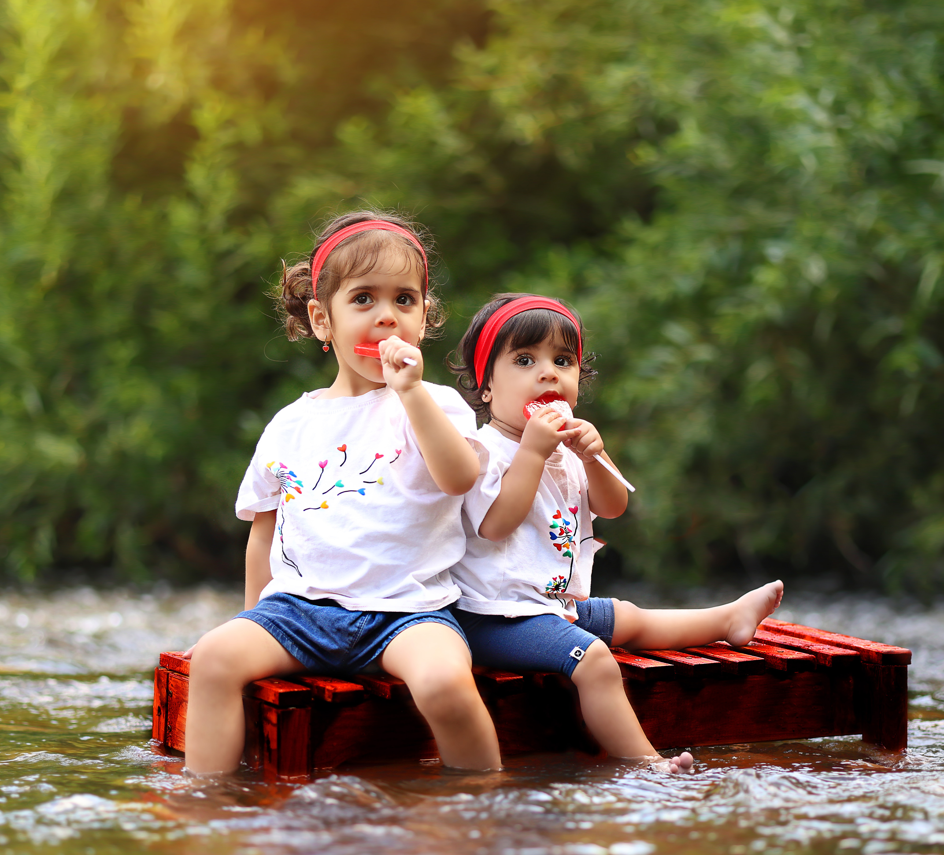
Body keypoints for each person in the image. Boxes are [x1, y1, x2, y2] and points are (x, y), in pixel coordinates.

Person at [182, 211, 501, 777]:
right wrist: (253, 620)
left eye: (405, 300)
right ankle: (210, 804)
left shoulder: (435, 404)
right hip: (302, 609)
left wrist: (410, 393)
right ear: (321, 320)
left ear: (425, 318)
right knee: (213, 657)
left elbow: (458, 478)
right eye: (363, 301)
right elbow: (264, 532)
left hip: (409, 610)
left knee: (446, 683)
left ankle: (474, 812)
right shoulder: (291, 424)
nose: (386, 317)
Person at [448, 293, 784, 772]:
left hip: (551, 607)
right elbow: (495, 524)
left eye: (563, 361)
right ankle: (647, 765)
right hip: (492, 616)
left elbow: (614, 505)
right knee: (597, 659)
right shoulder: (482, 450)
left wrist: (592, 458)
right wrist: (533, 455)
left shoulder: (571, 447)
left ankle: (728, 619)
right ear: (485, 387)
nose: (548, 372)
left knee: (627, 617)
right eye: (525, 360)